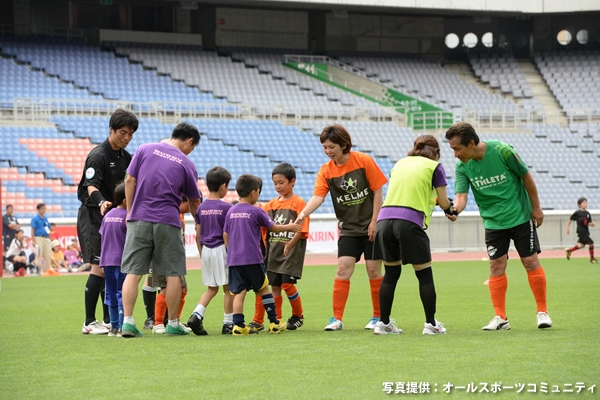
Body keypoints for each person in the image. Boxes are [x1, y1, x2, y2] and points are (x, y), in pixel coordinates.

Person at [445, 121, 552, 330]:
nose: (455, 154)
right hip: (493, 222)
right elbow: (460, 196)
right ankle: (500, 318)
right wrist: (455, 209)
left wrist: (536, 207)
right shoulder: (462, 166)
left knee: (530, 261)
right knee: (495, 266)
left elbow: (525, 176)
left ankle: (542, 312)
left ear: (472, 143)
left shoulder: (502, 151)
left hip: (520, 216)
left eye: (457, 148)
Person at [295, 124, 388, 331]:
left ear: (344, 145)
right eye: (325, 147)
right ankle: (336, 318)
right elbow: (318, 197)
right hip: (348, 230)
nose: (328, 151)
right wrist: (302, 214)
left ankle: (378, 317)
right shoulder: (326, 171)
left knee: (373, 270)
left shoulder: (363, 161)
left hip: (371, 227)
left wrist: (375, 222)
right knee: (342, 268)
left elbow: (378, 192)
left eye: (332, 147)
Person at [120, 122, 202, 338]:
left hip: (139, 218)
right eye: (192, 147)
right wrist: (200, 220)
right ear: (189, 141)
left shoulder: (144, 148)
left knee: (134, 272)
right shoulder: (186, 163)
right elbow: (194, 201)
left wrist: (130, 210)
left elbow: (129, 179)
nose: (190, 151)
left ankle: (127, 322)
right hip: (167, 220)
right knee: (174, 273)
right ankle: (173, 323)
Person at [373, 135, 455, 335]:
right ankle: (431, 324)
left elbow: (408, 190)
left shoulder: (399, 164)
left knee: (391, 274)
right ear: (436, 152)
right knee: (424, 274)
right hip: (409, 222)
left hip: (384, 221)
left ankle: (383, 323)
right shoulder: (435, 167)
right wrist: (450, 209)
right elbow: (444, 202)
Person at [77, 108, 138, 335]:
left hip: (115, 218)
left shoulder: (126, 157)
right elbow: (90, 186)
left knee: (112, 267)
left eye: (130, 134)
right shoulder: (98, 156)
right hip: (94, 215)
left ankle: (108, 319)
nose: (126, 137)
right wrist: (102, 202)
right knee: (99, 268)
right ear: (111, 129)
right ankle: (89, 321)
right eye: (123, 132)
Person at [223, 174, 301, 335]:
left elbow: (225, 234)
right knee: (264, 289)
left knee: (239, 292)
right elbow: (273, 228)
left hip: (235, 260)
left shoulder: (231, 211)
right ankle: (274, 322)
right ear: (253, 193)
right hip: (252, 259)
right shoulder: (256, 211)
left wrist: (231, 250)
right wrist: (290, 226)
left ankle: (238, 325)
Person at [251, 163, 309, 331]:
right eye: (275, 183)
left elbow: (301, 229)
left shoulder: (299, 203)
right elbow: (265, 227)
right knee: (274, 286)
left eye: (281, 182)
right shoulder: (270, 205)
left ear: (292, 182)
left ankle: (298, 315)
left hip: (290, 252)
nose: (278, 186)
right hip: (273, 253)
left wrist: (290, 244)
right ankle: (277, 319)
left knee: (287, 285)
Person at [186, 166, 235, 336]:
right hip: (222, 248)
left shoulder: (201, 208)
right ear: (223, 186)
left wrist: (202, 254)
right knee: (228, 289)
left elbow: (197, 234)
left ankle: (196, 315)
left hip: (206, 249)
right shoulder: (227, 208)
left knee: (211, 289)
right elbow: (227, 234)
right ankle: (228, 323)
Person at [99, 182, 128, 337]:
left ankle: (113, 326)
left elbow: (103, 238)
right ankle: (123, 325)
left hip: (107, 261)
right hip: (121, 261)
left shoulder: (107, 216)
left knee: (110, 294)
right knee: (122, 293)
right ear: (125, 200)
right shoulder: (128, 217)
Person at [566, 197, 596, 263]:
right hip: (581, 231)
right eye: (584, 203)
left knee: (581, 245)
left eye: (586, 203)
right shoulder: (577, 213)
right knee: (591, 243)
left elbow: (588, 223)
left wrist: (592, 224)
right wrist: (568, 228)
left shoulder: (587, 213)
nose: (586, 204)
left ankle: (569, 250)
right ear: (579, 205)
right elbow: (570, 219)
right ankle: (592, 259)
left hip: (586, 231)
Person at [31, 203, 56, 276]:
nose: (44, 210)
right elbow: (33, 229)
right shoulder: (35, 219)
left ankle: (46, 270)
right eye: (42, 208)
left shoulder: (45, 218)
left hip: (46, 238)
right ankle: (39, 271)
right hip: (38, 237)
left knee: (48, 254)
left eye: (45, 208)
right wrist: (33, 240)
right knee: (39, 254)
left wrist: (50, 236)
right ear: (38, 209)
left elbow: (48, 228)